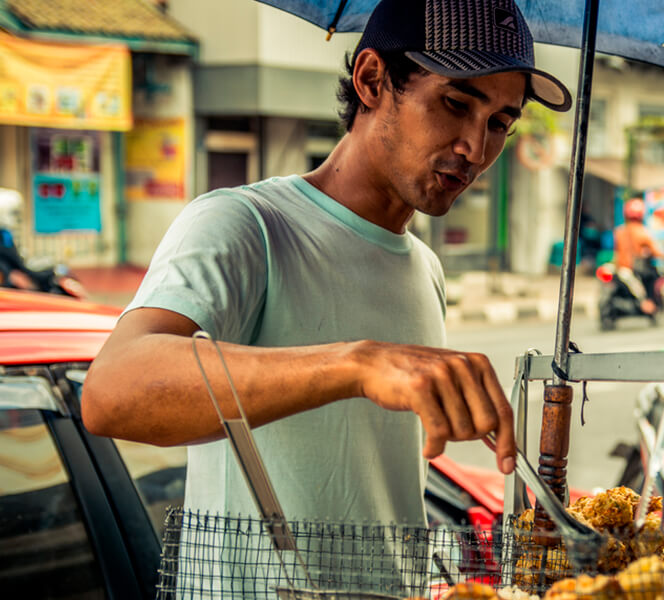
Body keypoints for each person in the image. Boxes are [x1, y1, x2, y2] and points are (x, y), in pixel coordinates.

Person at [81, 0, 572, 536]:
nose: (475, 148)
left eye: (500, 123)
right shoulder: (248, 225)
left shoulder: (424, 267)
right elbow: (112, 392)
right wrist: (356, 366)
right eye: (454, 103)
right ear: (371, 79)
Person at [613, 197, 664, 315]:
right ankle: (646, 304)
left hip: (619, 268)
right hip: (633, 270)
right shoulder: (642, 232)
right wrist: (663, 255)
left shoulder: (619, 231)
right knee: (650, 278)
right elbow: (655, 251)